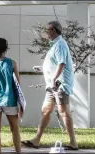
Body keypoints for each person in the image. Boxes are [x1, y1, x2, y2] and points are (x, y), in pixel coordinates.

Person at [21, 21, 78, 150]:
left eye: (48, 29)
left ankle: (73, 142)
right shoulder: (55, 45)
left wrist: (53, 78)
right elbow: (55, 64)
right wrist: (42, 69)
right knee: (45, 110)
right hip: (52, 85)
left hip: (59, 85)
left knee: (64, 113)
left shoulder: (60, 44)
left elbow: (61, 63)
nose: (46, 32)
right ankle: (36, 140)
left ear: (55, 30)